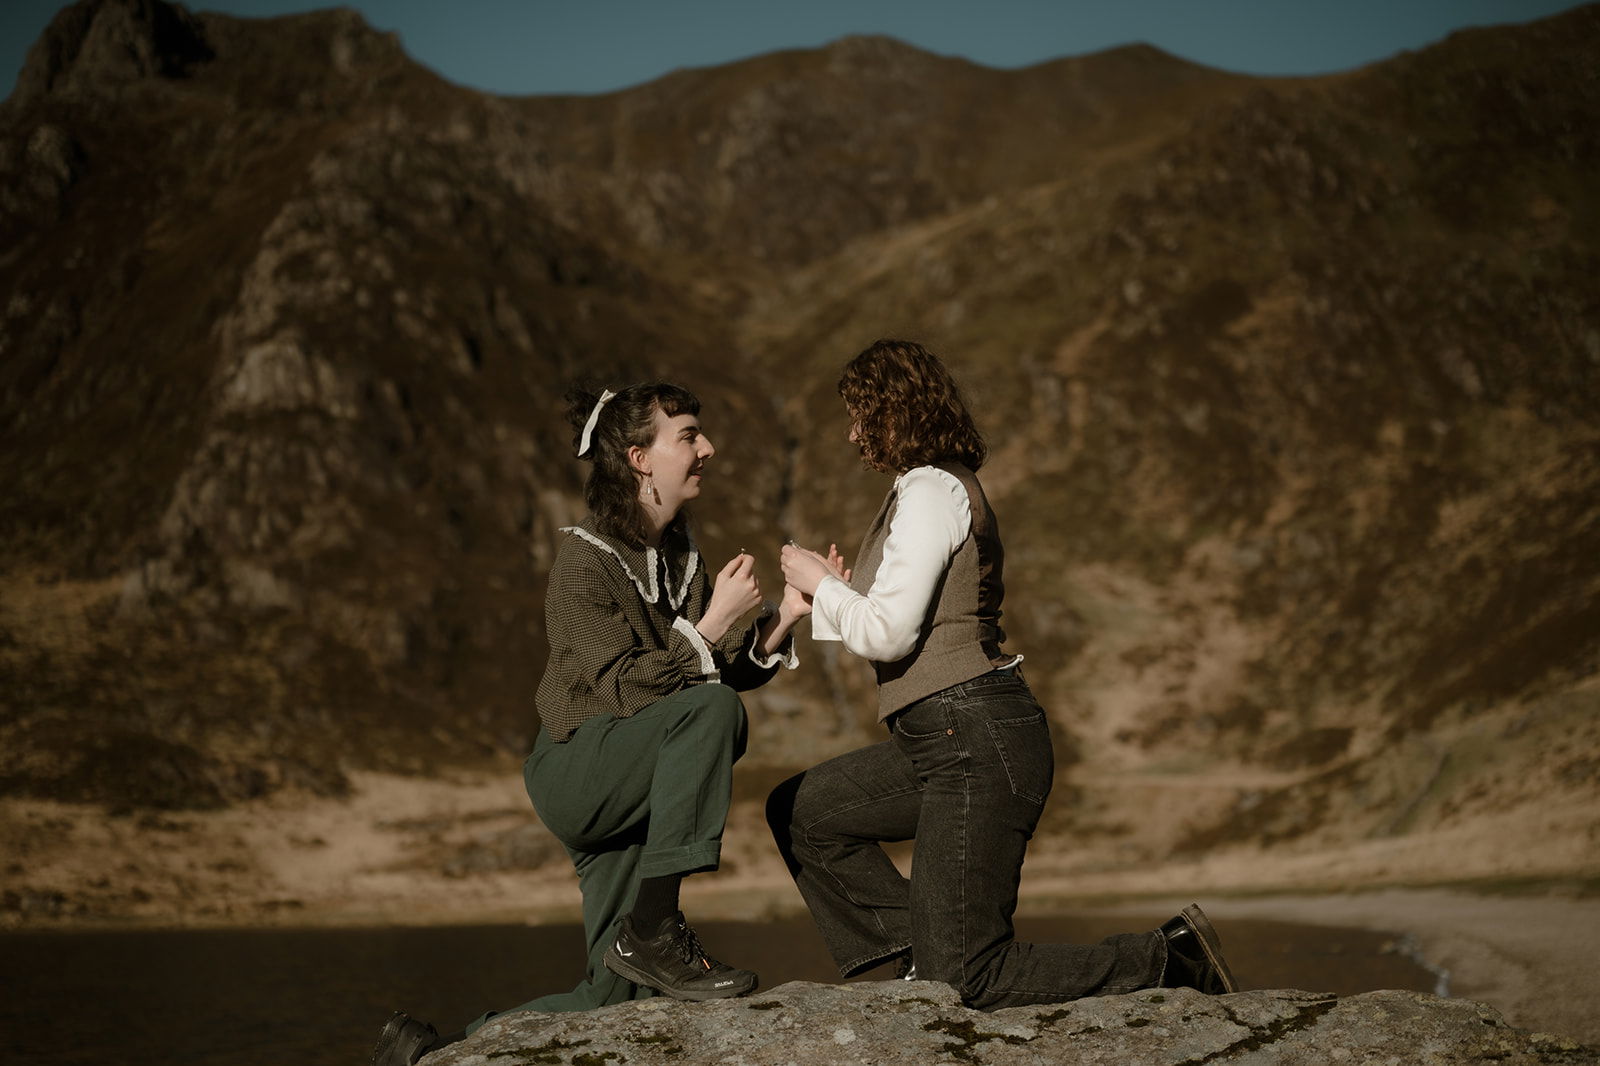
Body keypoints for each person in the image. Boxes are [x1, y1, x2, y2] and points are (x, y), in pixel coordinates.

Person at [770, 339, 1236, 1011]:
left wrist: (821, 582)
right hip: (944, 740)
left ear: (891, 412)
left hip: (974, 739)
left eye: (858, 415)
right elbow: (892, 629)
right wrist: (835, 596)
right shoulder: (924, 489)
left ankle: (1168, 958)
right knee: (805, 811)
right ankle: (920, 952)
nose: (851, 434)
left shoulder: (932, 489)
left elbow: (891, 633)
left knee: (965, 982)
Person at [375, 382, 805, 1066]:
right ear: (638, 457)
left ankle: (437, 1052)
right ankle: (657, 928)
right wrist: (715, 622)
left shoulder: (678, 555)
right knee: (715, 712)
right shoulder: (581, 563)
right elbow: (626, 689)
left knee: (613, 998)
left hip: (637, 767)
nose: (708, 449)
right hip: (580, 765)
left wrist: (783, 618)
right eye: (689, 436)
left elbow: (708, 670)